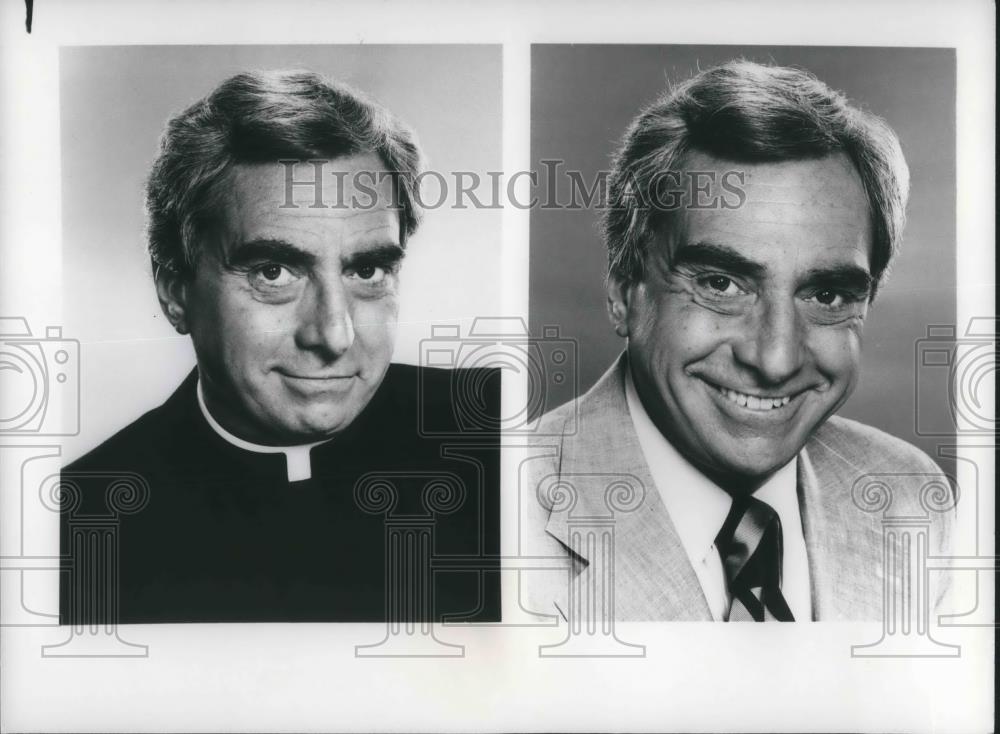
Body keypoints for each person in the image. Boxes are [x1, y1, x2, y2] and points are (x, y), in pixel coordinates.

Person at [60, 70, 500, 624]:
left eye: (366, 269)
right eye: (273, 272)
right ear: (174, 291)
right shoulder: (75, 524)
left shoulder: (505, 433)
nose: (333, 335)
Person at [526, 60, 954, 622]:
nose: (775, 360)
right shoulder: (500, 511)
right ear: (625, 290)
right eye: (721, 284)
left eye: (826, 295)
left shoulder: (911, 496)